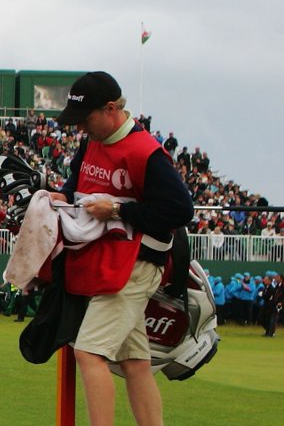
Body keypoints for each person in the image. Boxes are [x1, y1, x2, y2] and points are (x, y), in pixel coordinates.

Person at [51, 70, 192, 426]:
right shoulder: (91, 142)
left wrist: (117, 210)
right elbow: (77, 183)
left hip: (137, 261)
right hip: (107, 260)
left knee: (88, 352)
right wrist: (62, 196)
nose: (81, 128)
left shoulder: (147, 152)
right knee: (134, 361)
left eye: (86, 120)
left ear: (111, 108)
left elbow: (180, 210)